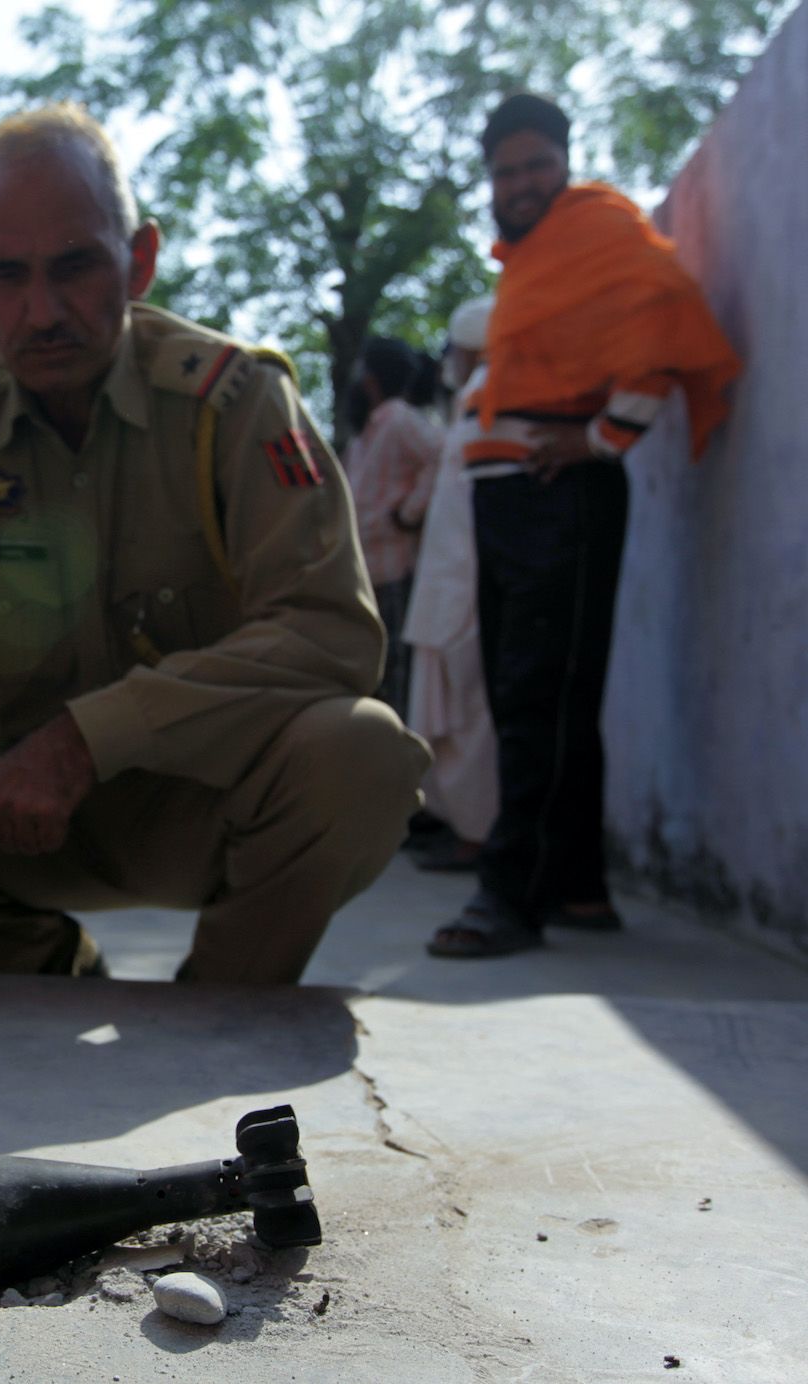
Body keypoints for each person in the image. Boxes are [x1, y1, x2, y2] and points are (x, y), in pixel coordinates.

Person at [0, 104, 429, 985]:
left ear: (138, 260)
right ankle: (40, 979)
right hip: (16, 813)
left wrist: (85, 740)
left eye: (75, 268)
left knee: (361, 753)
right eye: (8, 277)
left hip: (217, 807)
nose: (42, 312)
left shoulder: (235, 404)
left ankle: (221, 1004)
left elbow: (331, 634)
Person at [427, 94, 742, 958]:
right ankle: (579, 888)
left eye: (536, 164)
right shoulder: (529, 260)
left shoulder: (597, 224)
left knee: (538, 699)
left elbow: (663, 308)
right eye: (505, 171)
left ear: (565, 163)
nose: (521, 183)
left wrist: (603, 437)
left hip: (556, 495)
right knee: (539, 695)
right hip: (509, 498)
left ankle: (509, 898)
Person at [402, 297, 498, 873]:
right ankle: (463, 825)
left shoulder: (491, 391)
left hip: (465, 582)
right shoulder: (470, 399)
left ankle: (479, 833)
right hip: (447, 583)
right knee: (452, 714)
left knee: (470, 717)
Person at [341, 336, 443, 716]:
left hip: (396, 569)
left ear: (370, 378)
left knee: (396, 673)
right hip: (366, 574)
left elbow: (441, 457)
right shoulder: (368, 430)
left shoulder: (400, 419)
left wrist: (408, 514)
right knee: (372, 673)